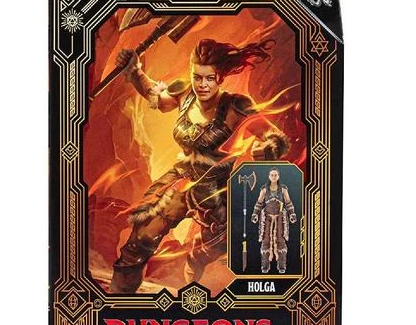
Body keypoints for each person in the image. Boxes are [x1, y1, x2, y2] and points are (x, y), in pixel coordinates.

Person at [109, 38, 290, 293]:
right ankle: (119, 299)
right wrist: (135, 71)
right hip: (180, 179)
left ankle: (195, 260)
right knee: (141, 238)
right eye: (197, 77)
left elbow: (275, 137)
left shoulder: (236, 105)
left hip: (216, 188)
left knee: (216, 245)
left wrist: (267, 149)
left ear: (220, 78)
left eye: (209, 79)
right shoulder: (184, 94)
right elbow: (155, 96)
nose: (202, 85)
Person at [251, 168, 297, 273]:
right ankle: (265, 265)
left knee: (281, 239)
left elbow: (288, 202)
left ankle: (282, 265)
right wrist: (255, 214)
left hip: (280, 217)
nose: (274, 177)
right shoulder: (264, 189)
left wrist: (292, 214)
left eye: (275, 175)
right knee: (265, 239)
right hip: (266, 217)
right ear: (269, 176)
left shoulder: (283, 189)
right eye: (272, 175)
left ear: (278, 176)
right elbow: (259, 202)